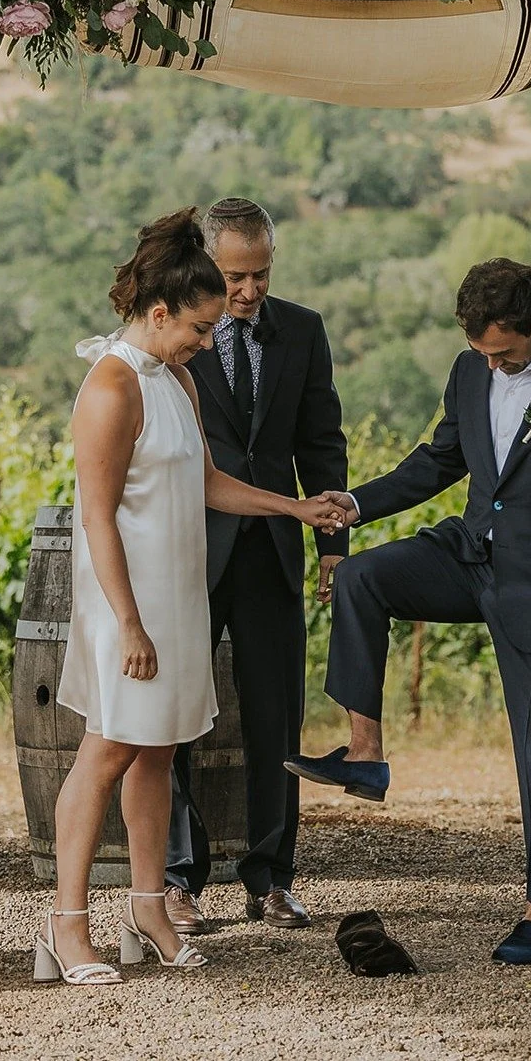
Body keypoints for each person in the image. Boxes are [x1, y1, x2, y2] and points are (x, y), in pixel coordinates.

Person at [286, 258, 531, 965]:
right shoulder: (467, 368)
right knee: (361, 576)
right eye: (480, 352)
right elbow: (437, 461)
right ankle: (364, 755)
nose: (490, 363)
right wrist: (355, 503)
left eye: (501, 352)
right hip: (467, 555)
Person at [33, 208, 343, 986]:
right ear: (160, 311)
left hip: (177, 598)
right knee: (105, 754)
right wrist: (129, 623)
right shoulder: (110, 386)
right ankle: (65, 925)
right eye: (199, 329)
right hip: (126, 605)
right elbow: (96, 518)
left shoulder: (173, 379)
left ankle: (147, 908)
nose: (208, 344)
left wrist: (294, 508)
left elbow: (207, 482)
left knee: (157, 752)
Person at [165, 197, 349, 934]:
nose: (247, 291)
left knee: (277, 717)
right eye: (234, 276)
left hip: (273, 548)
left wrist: (332, 545)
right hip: (188, 547)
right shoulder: (177, 329)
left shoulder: (302, 331)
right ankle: (178, 877)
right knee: (174, 715)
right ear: (207, 265)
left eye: (260, 275)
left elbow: (321, 441)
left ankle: (271, 878)